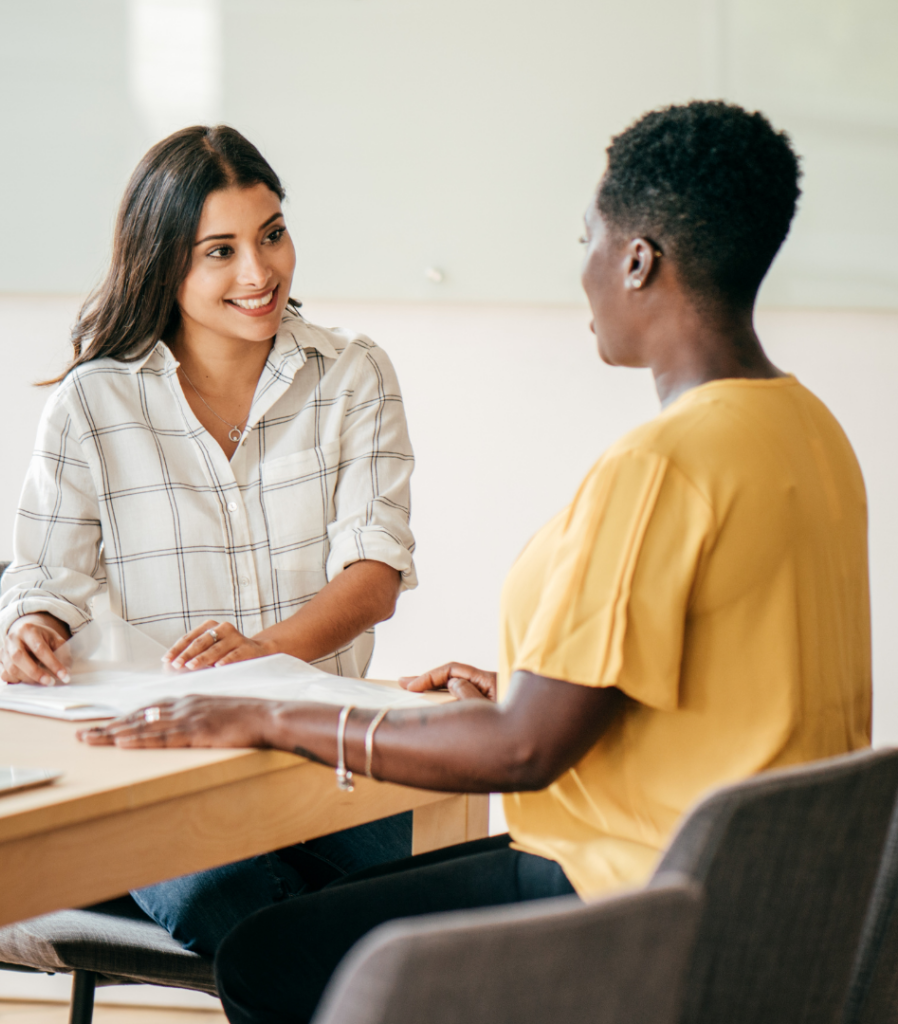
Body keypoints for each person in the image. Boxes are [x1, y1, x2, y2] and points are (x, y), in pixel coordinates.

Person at [80, 101, 872, 1024]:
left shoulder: (659, 468)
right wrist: (520, 689)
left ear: (638, 260)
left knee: (268, 955)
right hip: (770, 903)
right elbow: (724, 690)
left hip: (632, 898)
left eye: (589, 239)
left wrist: (268, 711)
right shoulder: (808, 431)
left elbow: (526, 751)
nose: (582, 269)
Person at [0, 125, 418, 953]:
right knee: (246, 908)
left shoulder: (352, 374)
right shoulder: (92, 404)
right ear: (163, 263)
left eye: (272, 235)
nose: (259, 273)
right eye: (218, 251)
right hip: (158, 779)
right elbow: (41, 580)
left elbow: (374, 575)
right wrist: (32, 630)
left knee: (438, 889)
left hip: (322, 766)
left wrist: (258, 656)